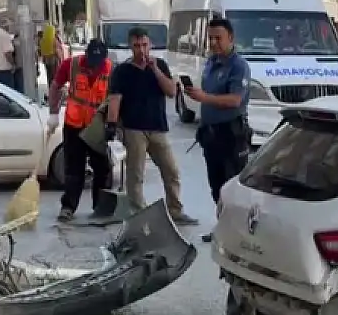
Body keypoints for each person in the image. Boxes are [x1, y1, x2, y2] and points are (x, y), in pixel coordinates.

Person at [105, 27, 197, 225]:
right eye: (137, 46)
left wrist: (155, 69)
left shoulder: (160, 65)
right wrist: (112, 124)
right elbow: (115, 99)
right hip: (134, 128)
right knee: (135, 174)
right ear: (130, 46)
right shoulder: (122, 71)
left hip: (158, 127)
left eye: (144, 45)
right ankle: (139, 213)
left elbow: (172, 91)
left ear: (150, 45)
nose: (141, 50)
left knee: (171, 170)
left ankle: (175, 210)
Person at [183, 17, 251, 242]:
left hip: (231, 134)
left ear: (231, 38)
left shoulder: (238, 66)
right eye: (210, 38)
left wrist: (204, 97)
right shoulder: (211, 62)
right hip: (210, 134)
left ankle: (238, 233)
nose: (213, 43)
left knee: (233, 186)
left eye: (218, 38)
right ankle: (223, 226)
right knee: (216, 185)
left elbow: (234, 100)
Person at [48, 39, 113, 222]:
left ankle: (100, 206)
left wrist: (114, 124)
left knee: (102, 168)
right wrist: (53, 113)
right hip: (74, 125)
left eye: (98, 63)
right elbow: (55, 87)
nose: (94, 67)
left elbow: (115, 98)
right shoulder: (72, 64)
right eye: (92, 61)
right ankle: (68, 207)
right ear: (86, 55)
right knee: (73, 169)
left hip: (96, 127)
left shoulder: (110, 69)